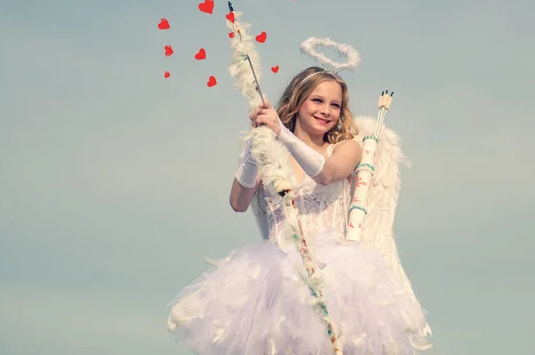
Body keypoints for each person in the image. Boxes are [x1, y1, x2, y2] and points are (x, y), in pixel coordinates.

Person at [167, 66, 432, 354]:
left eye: (335, 105)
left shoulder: (348, 148)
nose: (327, 111)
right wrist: (256, 147)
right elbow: (238, 202)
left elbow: (327, 174)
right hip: (275, 278)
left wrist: (281, 133)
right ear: (298, 101)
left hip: (334, 276)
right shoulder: (273, 155)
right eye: (317, 101)